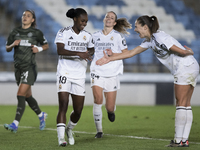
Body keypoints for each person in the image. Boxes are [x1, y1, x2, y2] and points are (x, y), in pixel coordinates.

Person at [96, 15, 199, 147]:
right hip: (190, 66)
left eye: (136, 26)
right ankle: (183, 140)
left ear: (145, 27)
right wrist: (112, 57)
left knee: (180, 103)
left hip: (184, 67)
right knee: (186, 104)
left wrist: (186, 52)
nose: (135, 29)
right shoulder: (150, 40)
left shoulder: (158, 37)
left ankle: (178, 141)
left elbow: (176, 49)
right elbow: (131, 53)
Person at [4, 10, 49, 133]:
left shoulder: (36, 33)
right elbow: (7, 48)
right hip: (18, 68)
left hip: (30, 67)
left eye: (28, 16)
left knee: (20, 94)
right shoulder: (15, 32)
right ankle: (41, 115)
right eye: (24, 15)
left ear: (32, 20)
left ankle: (15, 124)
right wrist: (13, 44)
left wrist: (38, 49)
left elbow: (46, 45)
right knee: (28, 96)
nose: (25, 17)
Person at [55, 8, 94, 146]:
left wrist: (89, 53)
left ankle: (69, 129)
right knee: (63, 105)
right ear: (75, 19)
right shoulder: (63, 32)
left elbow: (91, 49)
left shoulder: (88, 36)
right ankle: (61, 139)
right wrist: (79, 53)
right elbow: (60, 50)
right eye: (83, 20)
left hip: (79, 76)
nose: (85, 23)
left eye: (86, 21)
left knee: (78, 111)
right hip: (64, 73)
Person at [90, 11, 132, 138]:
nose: (108, 18)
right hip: (97, 71)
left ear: (114, 23)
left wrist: (112, 55)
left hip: (112, 73)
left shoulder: (118, 37)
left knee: (109, 107)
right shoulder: (95, 35)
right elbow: (89, 50)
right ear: (104, 20)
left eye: (111, 17)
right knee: (98, 100)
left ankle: (110, 111)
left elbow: (126, 53)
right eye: (107, 16)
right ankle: (99, 131)